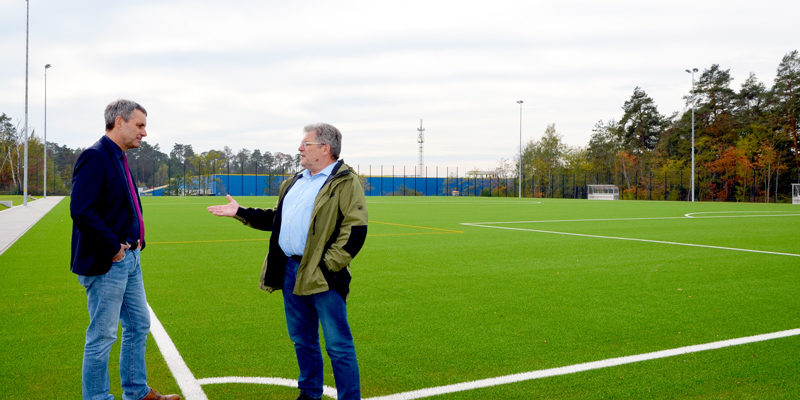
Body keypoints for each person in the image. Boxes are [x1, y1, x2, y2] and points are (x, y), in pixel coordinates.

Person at [208, 122, 368, 400]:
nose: (299, 148)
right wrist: (240, 212)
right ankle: (309, 394)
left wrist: (327, 265)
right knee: (303, 340)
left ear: (325, 149)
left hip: (323, 276)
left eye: (306, 143)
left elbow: (355, 229)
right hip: (291, 271)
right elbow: (276, 219)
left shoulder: (345, 182)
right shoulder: (295, 181)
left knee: (337, 345)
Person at [70, 99, 180, 400]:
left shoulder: (118, 157)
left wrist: (137, 239)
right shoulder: (95, 156)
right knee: (102, 335)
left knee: (138, 324)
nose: (144, 133)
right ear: (119, 121)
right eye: (140, 125)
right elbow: (81, 210)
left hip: (130, 259)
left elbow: (124, 205)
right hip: (109, 261)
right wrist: (112, 247)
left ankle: (136, 391)